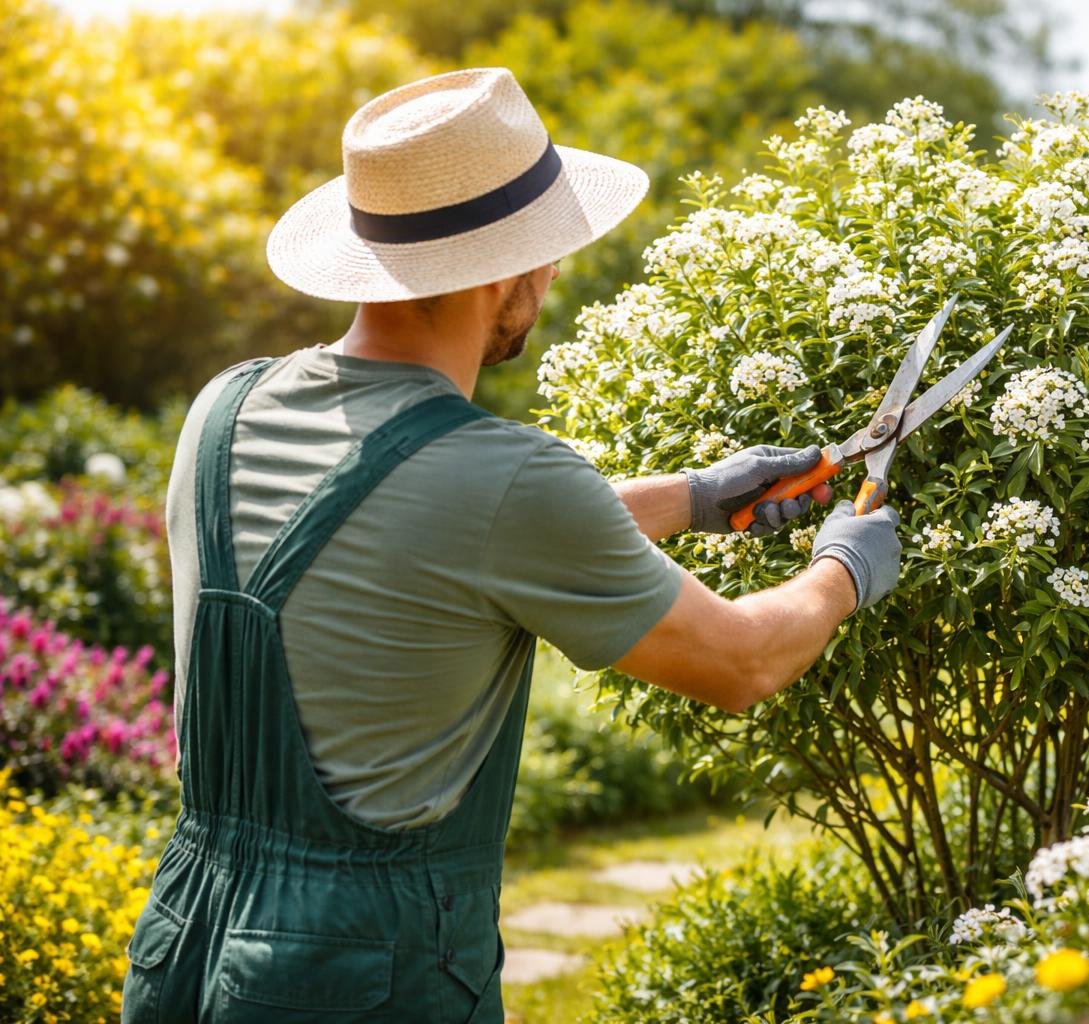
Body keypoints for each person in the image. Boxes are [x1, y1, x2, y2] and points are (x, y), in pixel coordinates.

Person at [121, 67, 901, 1022]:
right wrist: (844, 566)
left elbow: (406, 540)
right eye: (548, 250)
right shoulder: (506, 476)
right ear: (501, 270)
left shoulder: (224, 407)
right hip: (366, 974)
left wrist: (694, 498)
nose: (557, 271)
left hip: (186, 945)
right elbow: (743, 661)